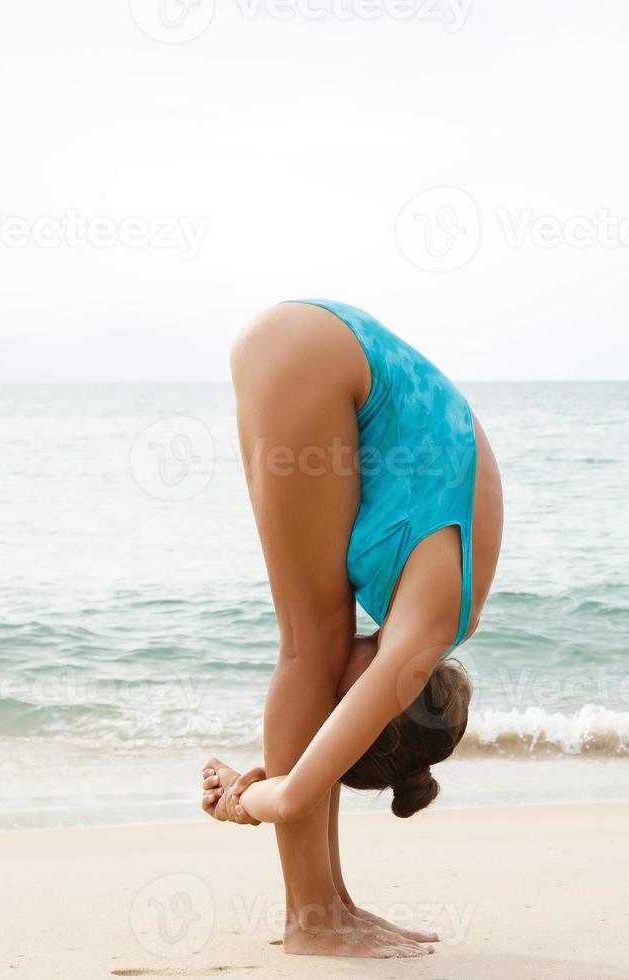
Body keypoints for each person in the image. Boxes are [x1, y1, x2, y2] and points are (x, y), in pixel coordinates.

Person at [199, 299, 503, 958]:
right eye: (352, 705)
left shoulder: (441, 604)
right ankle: (314, 920)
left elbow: (304, 780)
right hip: (312, 355)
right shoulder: (423, 634)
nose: (342, 693)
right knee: (311, 648)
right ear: (392, 705)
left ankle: (330, 904)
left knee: (321, 642)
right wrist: (246, 797)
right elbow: (298, 794)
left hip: (323, 348)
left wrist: (275, 778)